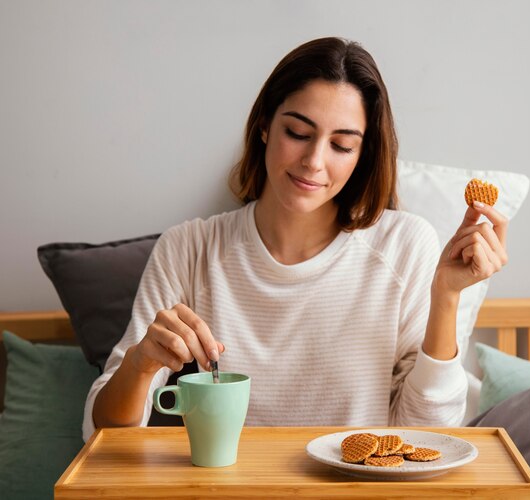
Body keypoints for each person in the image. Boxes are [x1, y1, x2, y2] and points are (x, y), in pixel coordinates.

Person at [83, 37, 508, 441]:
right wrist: (140, 364)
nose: (313, 162)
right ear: (265, 125)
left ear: (362, 156)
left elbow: (428, 434)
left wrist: (447, 295)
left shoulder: (405, 244)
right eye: (299, 134)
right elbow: (101, 434)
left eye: (342, 145)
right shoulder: (189, 249)